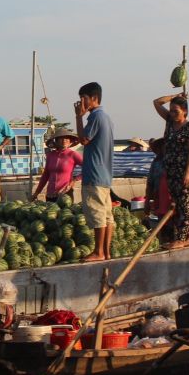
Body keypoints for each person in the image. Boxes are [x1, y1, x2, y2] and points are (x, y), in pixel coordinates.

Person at [153, 94, 189, 248]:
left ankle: (183, 238)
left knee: (184, 204)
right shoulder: (169, 121)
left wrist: (187, 173)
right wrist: (175, 96)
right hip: (171, 171)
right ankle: (181, 236)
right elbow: (156, 102)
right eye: (171, 111)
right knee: (176, 205)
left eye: (176, 111)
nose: (173, 114)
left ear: (185, 111)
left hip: (183, 172)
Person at [74, 82, 115, 261]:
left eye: (83, 98)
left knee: (98, 214)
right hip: (105, 175)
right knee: (107, 216)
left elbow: (83, 139)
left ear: (94, 98)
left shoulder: (95, 117)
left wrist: (78, 117)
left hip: (95, 175)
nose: (81, 102)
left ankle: (99, 252)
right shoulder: (106, 117)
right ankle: (105, 252)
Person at [31, 128, 84, 202]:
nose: (64, 140)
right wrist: (36, 193)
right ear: (56, 141)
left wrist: (74, 180)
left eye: (67, 138)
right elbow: (45, 176)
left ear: (70, 141)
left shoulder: (73, 154)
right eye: (61, 138)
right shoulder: (50, 155)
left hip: (65, 194)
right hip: (50, 195)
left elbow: (88, 168)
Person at [145, 138, 171, 225]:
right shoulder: (156, 163)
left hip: (175, 201)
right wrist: (147, 202)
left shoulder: (177, 161)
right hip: (160, 200)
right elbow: (150, 183)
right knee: (163, 227)